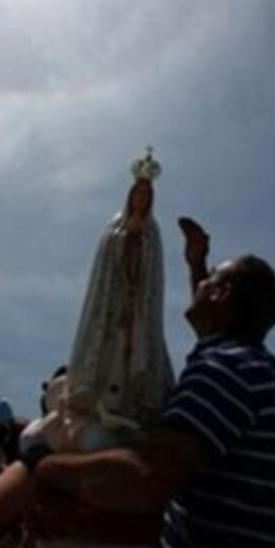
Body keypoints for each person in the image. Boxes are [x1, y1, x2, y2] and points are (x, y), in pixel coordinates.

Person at [0, 216, 275, 548]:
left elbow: (146, 478)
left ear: (221, 295)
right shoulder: (245, 361)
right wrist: (197, 266)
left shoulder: (227, 368)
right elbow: (215, 325)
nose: (199, 286)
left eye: (208, 281)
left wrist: (44, 469)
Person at [49, 149, 174, 453]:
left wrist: (139, 243)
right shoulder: (115, 226)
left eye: (147, 193)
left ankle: (131, 407)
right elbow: (105, 263)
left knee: (131, 350)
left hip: (137, 306)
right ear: (131, 195)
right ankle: (97, 403)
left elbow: (152, 275)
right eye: (138, 192)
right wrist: (124, 240)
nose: (142, 198)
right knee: (108, 350)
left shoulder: (152, 232)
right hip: (111, 303)